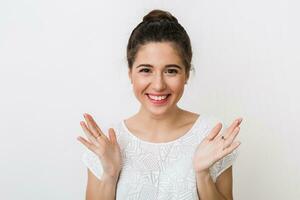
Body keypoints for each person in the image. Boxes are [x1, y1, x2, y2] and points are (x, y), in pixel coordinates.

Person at [77, 9, 243, 200]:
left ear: (187, 74)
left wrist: (202, 175)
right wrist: (110, 175)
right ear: (130, 72)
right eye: (146, 70)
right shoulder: (107, 142)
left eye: (171, 71)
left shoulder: (211, 135)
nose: (158, 85)